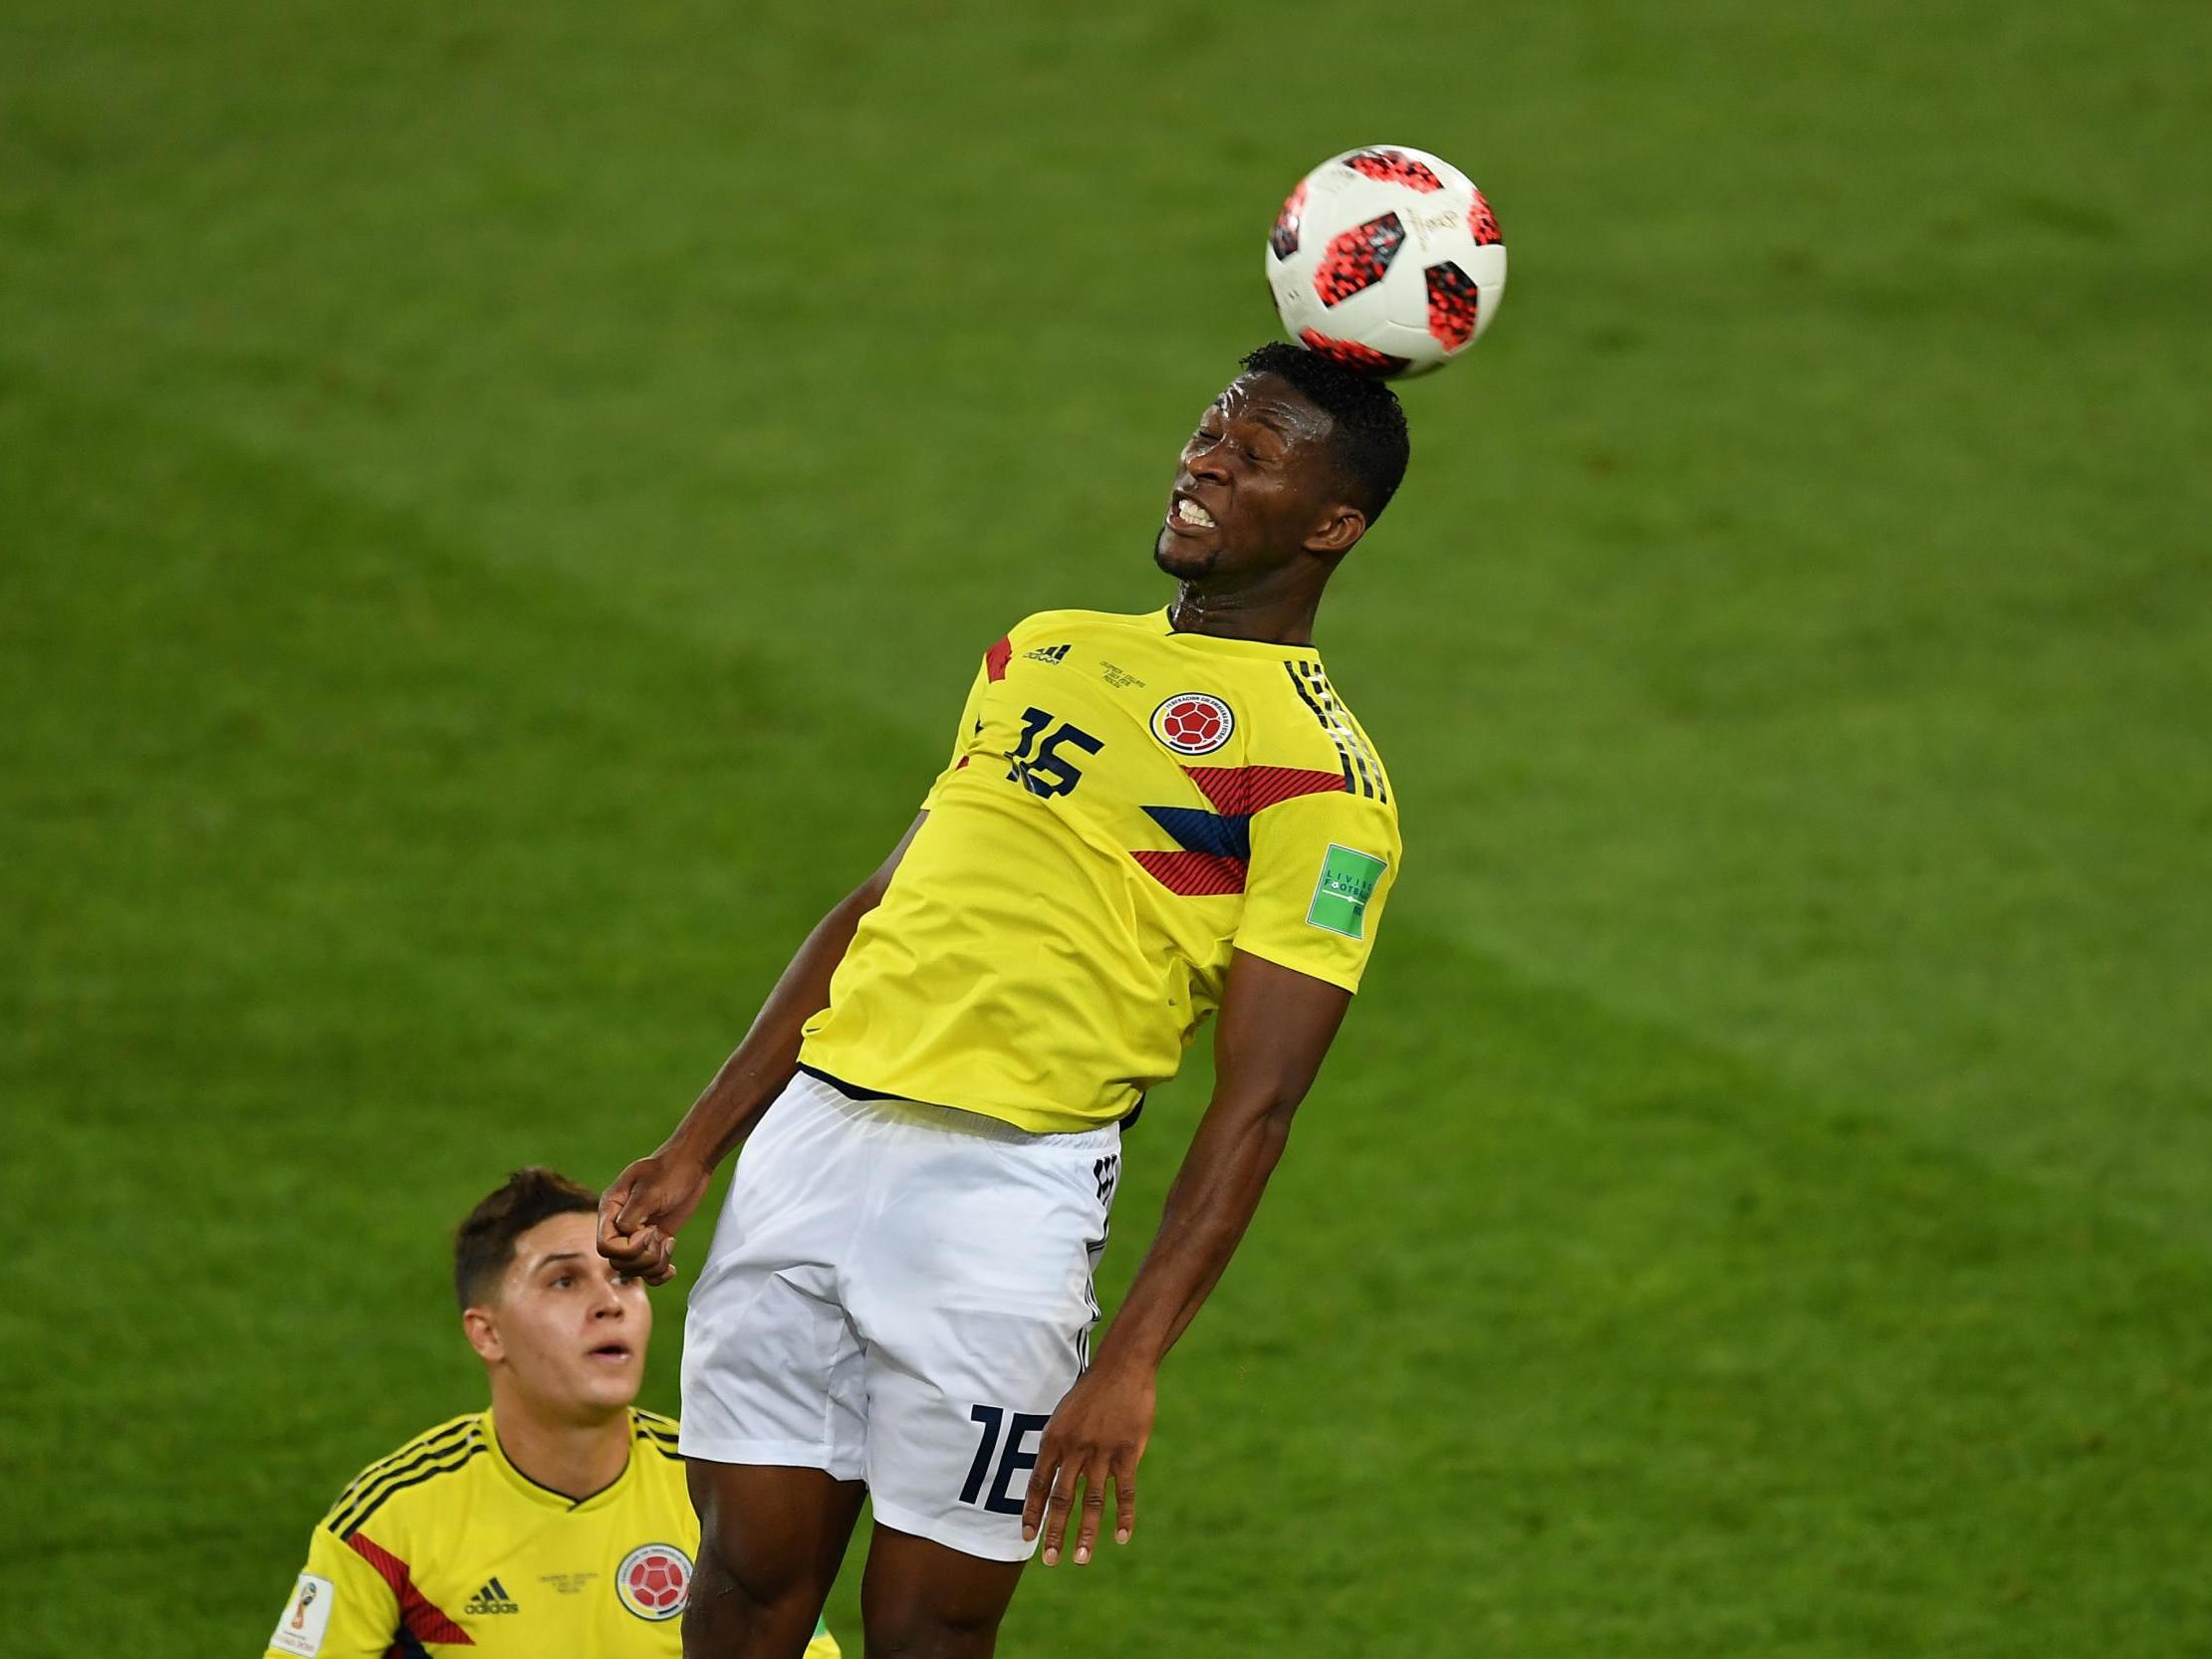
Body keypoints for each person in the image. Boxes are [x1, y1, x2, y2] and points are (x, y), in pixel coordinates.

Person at [600, 342, 1408, 1658]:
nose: (1202, 458)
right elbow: (878, 905)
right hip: (809, 1145)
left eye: (1252, 455)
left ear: (1333, 524)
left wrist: (1133, 1354)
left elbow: (1258, 1106)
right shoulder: (1042, 649)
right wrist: (699, 1144)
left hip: (1002, 1204)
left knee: (928, 1629)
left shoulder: (1325, 781)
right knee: (745, 1583)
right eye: (1209, 430)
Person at [264, 1168, 840, 1658]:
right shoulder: (389, 1522)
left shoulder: (720, 1489)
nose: (609, 1304)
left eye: (623, 1277)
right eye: (564, 1281)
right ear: (487, 1333)